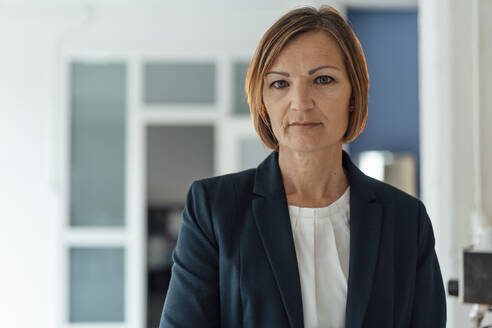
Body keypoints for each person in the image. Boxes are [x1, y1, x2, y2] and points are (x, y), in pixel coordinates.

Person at [160, 5, 446, 328]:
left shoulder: (407, 222)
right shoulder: (213, 210)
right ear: (263, 102)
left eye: (323, 79)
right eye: (280, 84)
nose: (301, 102)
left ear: (354, 95)